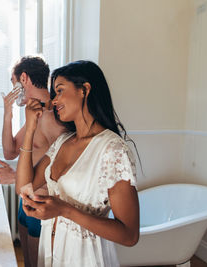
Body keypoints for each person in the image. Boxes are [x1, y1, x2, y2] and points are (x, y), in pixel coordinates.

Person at [16, 60, 140, 267]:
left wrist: (64, 210)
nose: (54, 101)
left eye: (60, 91)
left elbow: (129, 235)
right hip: (49, 255)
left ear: (85, 89)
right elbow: (23, 186)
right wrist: (30, 128)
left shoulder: (113, 150)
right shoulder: (62, 142)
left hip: (85, 259)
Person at [0, 56, 65, 267]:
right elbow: (10, 152)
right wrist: (8, 114)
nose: (12, 90)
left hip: (42, 205)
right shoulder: (35, 112)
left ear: (23, 78)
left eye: (13, 82)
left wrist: (15, 176)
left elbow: (62, 168)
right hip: (27, 204)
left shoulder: (51, 115)